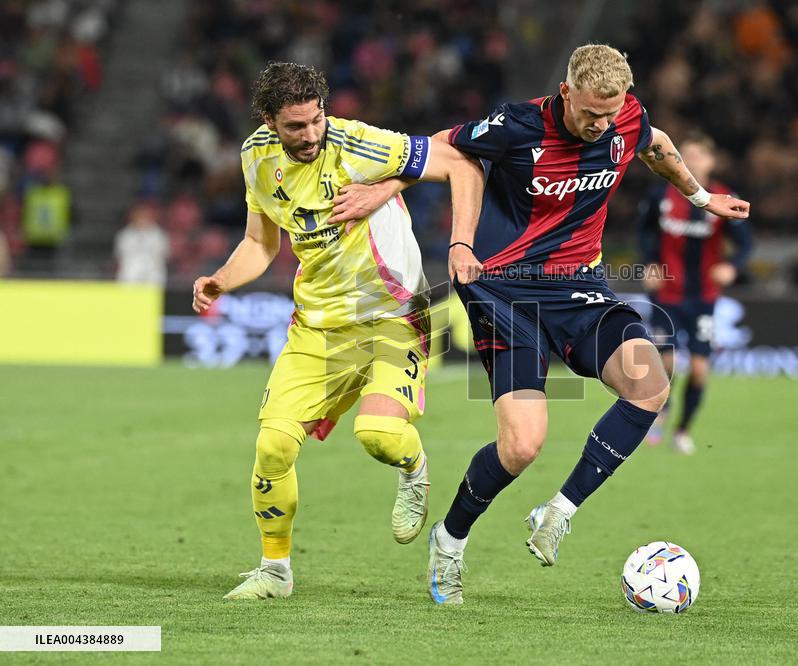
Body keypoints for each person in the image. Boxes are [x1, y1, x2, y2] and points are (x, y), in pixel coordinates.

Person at [338, 44, 749, 605]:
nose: (601, 125)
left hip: (579, 287)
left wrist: (702, 198)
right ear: (565, 93)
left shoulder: (626, 118)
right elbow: (438, 149)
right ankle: (450, 541)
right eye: (589, 114)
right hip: (504, 288)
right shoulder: (516, 124)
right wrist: (380, 191)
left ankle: (558, 511)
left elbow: (657, 147)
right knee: (523, 444)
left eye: (610, 114)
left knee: (650, 383)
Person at [192, 62, 483, 600]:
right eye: (294, 127)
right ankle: (275, 572)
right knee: (273, 445)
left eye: (315, 121)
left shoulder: (359, 145)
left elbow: (462, 165)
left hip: (395, 317)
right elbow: (261, 243)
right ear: (269, 121)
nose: (309, 136)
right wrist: (222, 279)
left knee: (377, 436)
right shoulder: (256, 156)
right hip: (319, 327)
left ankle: (415, 469)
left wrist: (394, 194)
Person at [638, 131, 752, 454]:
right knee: (667, 363)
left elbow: (745, 242)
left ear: (712, 161)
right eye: (685, 153)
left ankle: (683, 429)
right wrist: (649, 262)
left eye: (699, 155)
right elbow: (644, 231)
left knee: (700, 368)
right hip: (667, 293)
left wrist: (732, 266)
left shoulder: (724, 197)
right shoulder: (660, 195)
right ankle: (662, 411)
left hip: (703, 295)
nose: (691, 160)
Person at [113, 203, 169, 286]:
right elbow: (120, 256)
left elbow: (163, 255)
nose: (141, 219)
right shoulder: (125, 235)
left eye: (144, 216)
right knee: (128, 270)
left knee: (156, 273)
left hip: (152, 271)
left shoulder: (158, 235)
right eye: (139, 216)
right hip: (131, 271)